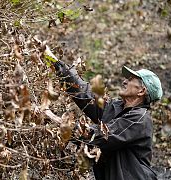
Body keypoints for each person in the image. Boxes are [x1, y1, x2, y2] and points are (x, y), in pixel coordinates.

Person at [45, 51, 162, 180]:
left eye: (130, 80)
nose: (124, 82)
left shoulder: (140, 119)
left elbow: (101, 136)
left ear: (141, 91)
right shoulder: (117, 108)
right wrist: (55, 61)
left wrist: (58, 121)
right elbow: (86, 95)